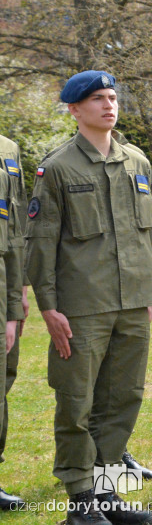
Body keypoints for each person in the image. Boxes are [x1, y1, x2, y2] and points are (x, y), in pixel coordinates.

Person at [25, 70, 152, 525]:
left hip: (131, 303)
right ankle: (81, 503)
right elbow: (41, 241)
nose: (108, 105)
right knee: (77, 400)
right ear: (74, 109)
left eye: (112, 97)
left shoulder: (136, 161)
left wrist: (146, 287)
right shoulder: (59, 167)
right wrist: (49, 307)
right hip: (82, 306)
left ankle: (108, 495)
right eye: (97, 99)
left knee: (123, 399)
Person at [0, 134, 27, 510]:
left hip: (4, 278)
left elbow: (16, 221)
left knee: (3, 375)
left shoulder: (7, 149)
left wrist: (18, 289)